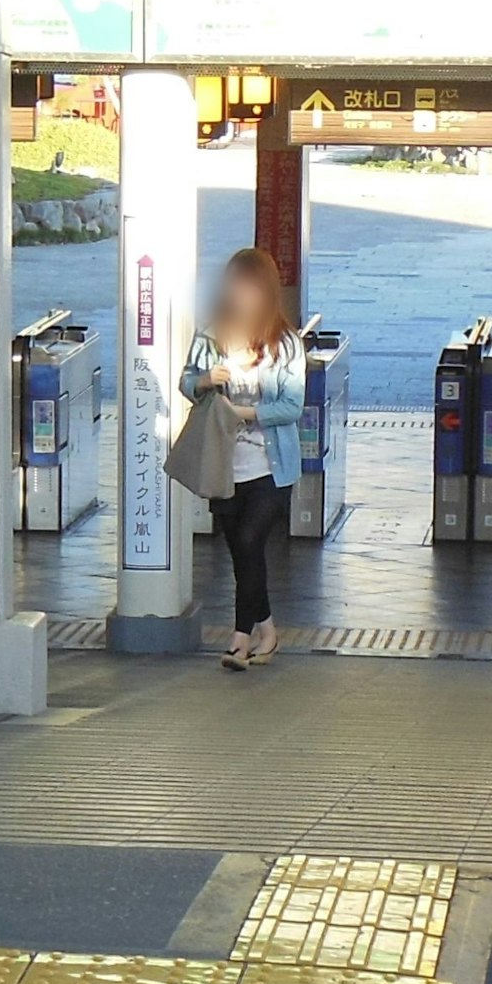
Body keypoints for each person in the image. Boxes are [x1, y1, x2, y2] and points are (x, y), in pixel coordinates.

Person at [177, 247, 307, 670]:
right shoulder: (212, 333)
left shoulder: (285, 344)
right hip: (224, 463)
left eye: (250, 285)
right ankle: (267, 629)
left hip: (272, 466)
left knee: (251, 541)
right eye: (236, 283)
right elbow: (185, 382)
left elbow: (292, 406)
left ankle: (239, 640)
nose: (241, 292)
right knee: (241, 554)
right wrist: (203, 380)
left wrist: (247, 413)